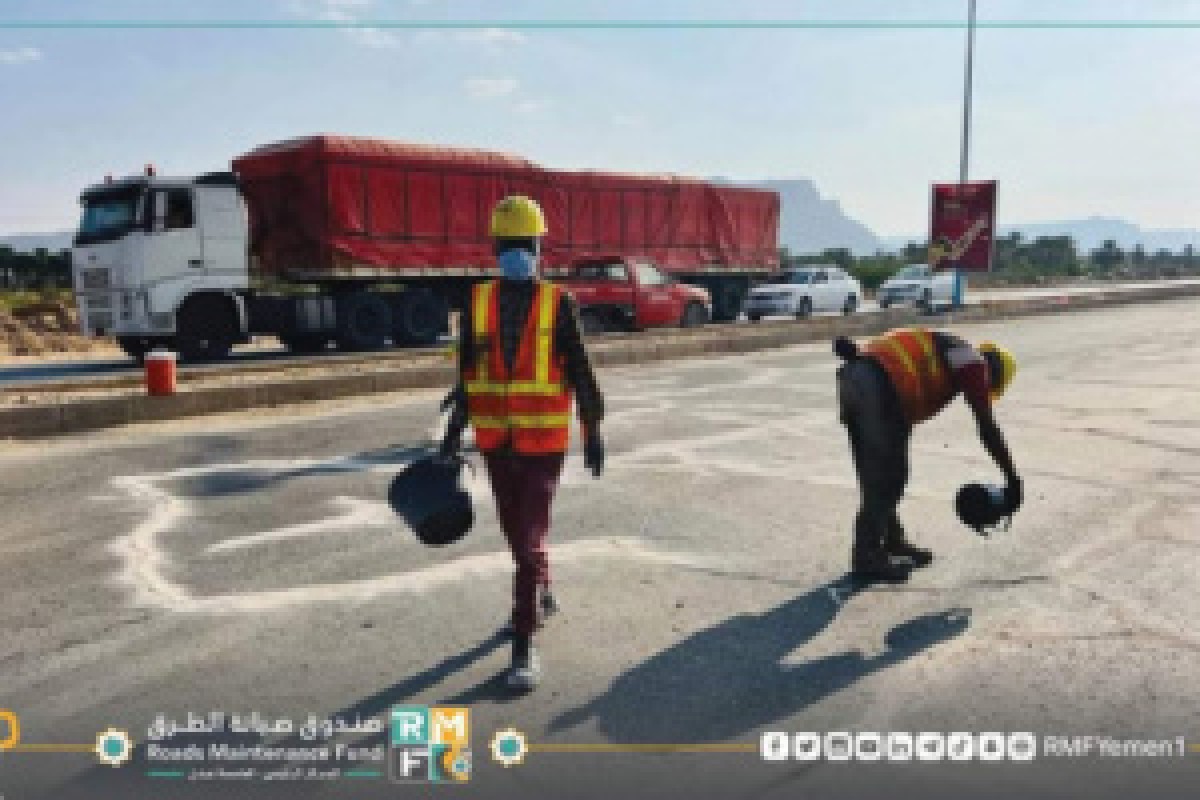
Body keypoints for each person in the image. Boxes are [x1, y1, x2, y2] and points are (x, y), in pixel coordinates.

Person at [440, 195, 605, 691]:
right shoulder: (477, 301)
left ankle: (523, 643)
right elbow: (467, 374)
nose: (517, 251)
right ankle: (543, 589)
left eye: (523, 243)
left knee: (530, 537)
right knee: (516, 534)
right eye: (509, 244)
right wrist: (451, 435)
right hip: (496, 441)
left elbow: (581, 369)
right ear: (496, 247)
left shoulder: (559, 303)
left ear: (538, 246)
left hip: (543, 445)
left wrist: (592, 432)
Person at [833, 328, 1021, 583]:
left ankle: (892, 541)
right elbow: (986, 426)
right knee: (890, 478)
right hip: (879, 382)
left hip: (856, 378)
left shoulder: (951, 351)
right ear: (994, 372)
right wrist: (1012, 477)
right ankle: (866, 556)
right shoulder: (974, 363)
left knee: (876, 471)